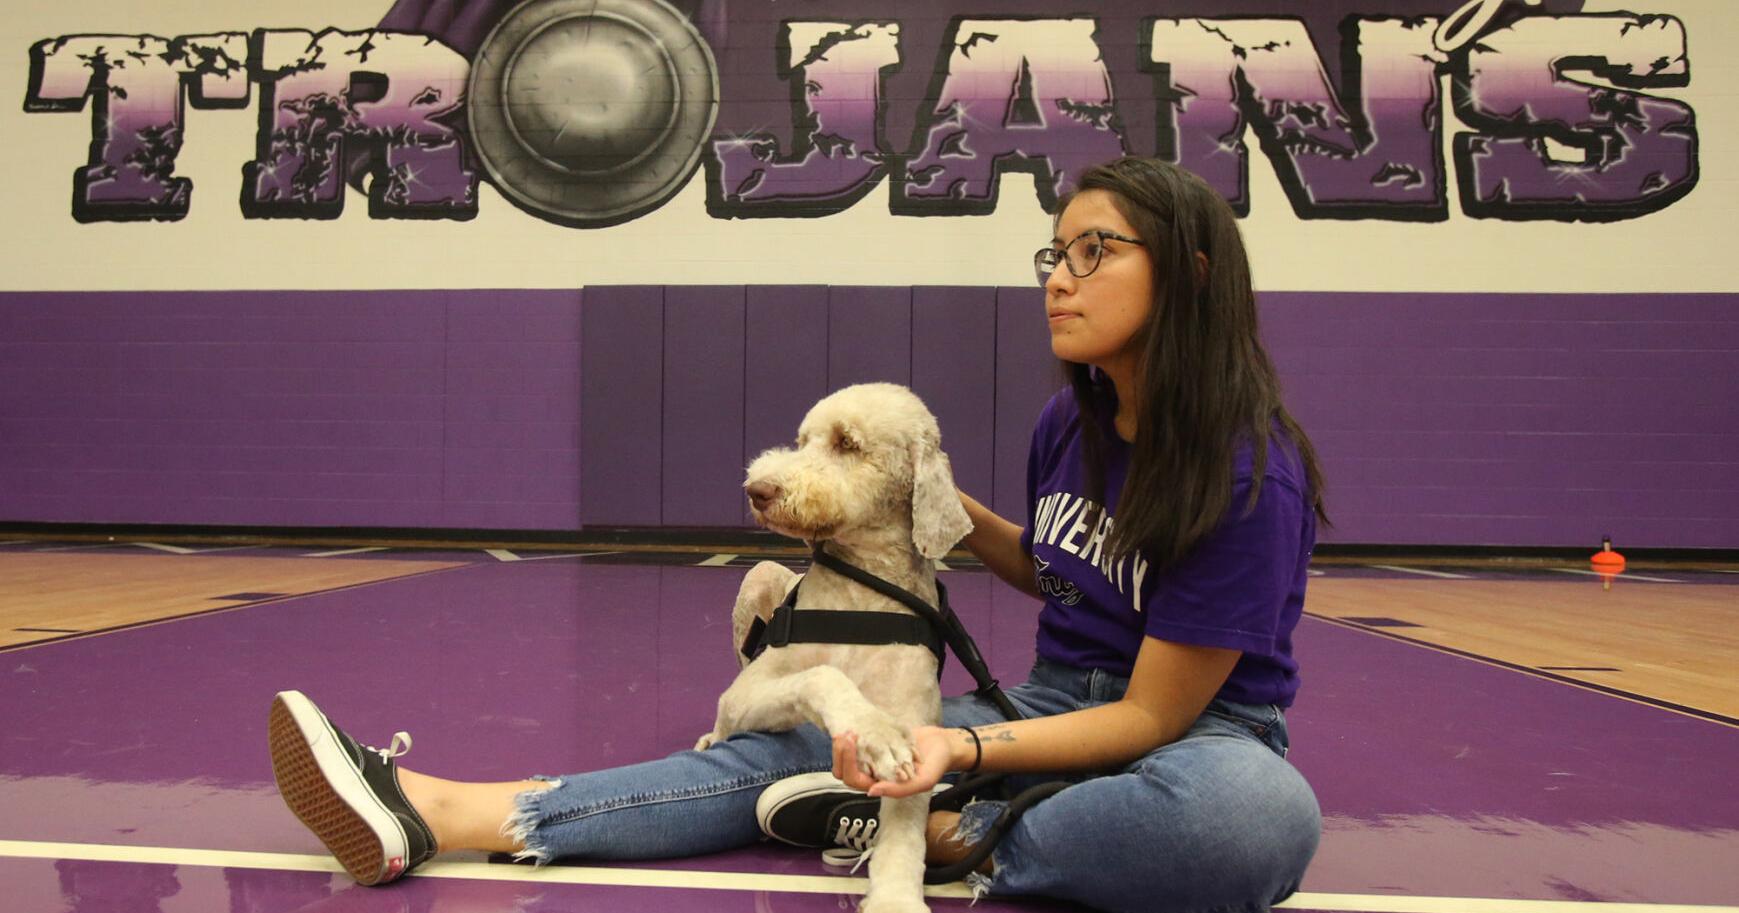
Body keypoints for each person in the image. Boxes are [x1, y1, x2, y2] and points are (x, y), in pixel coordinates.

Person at [268, 156, 1327, 913]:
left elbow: (1148, 713)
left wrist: (955, 753)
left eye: (1095, 251)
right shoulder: (1072, 422)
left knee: (1249, 826)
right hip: (1041, 709)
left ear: (1189, 271)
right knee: (805, 737)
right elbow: (1052, 574)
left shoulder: (1247, 470)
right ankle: (441, 807)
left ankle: (955, 831)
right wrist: (915, 510)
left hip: (1197, 738)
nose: (1057, 274)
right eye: (1053, 250)